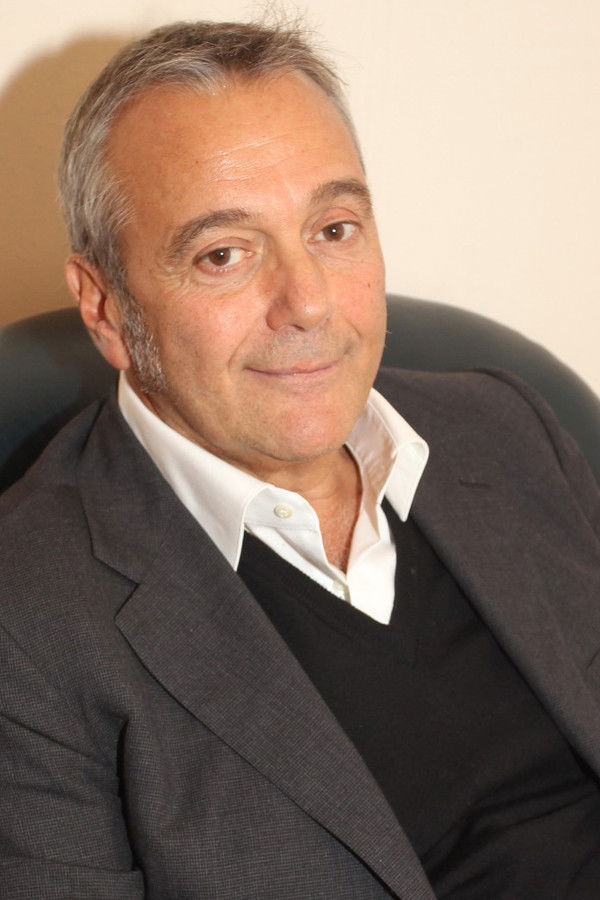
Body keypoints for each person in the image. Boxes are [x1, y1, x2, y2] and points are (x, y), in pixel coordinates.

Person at [1, 18, 600, 900]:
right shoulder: (28, 622)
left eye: (334, 228)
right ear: (105, 309)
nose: (309, 303)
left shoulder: (508, 428)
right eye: (224, 254)